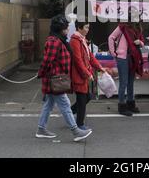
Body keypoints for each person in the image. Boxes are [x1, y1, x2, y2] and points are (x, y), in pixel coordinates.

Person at [36, 14, 93, 142]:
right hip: (56, 79)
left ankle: (41, 128)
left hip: (56, 79)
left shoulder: (59, 40)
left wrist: (42, 75)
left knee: (48, 105)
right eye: (66, 28)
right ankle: (76, 130)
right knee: (65, 105)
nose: (68, 30)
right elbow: (46, 61)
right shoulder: (54, 42)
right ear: (61, 29)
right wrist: (41, 73)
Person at [70, 20, 107, 130]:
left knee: (86, 97)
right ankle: (80, 124)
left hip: (83, 74)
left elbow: (90, 56)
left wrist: (99, 67)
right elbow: (78, 60)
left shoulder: (82, 40)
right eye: (86, 27)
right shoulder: (75, 41)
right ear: (79, 28)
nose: (88, 30)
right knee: (82, 99)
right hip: (79, 75)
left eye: (88, 27)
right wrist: (87, 74)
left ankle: (70, 113)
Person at [108, 12, 145, 116]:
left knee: (130, 82)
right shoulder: (122, 27)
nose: (138, 18)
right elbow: (111, 38)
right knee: (124, 82)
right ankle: (122, 106)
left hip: (133, 57)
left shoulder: (138, 28)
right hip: (123, 58)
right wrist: (113, 52)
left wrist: (140, 42)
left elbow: (142, 42)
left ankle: (130, 103)